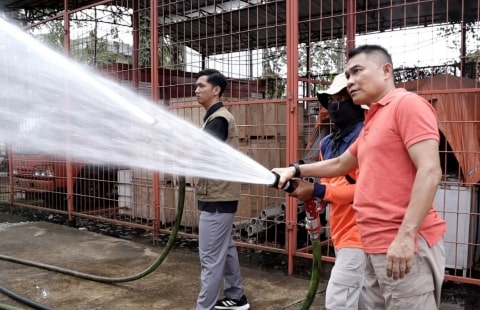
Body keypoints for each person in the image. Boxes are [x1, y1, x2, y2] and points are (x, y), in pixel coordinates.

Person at [273, 45, 446, 310]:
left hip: (402, 242)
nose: (351, 81)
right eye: (347, 74)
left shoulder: (407, 105)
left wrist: (405, 236)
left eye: (357, 72)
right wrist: (296, 170)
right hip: (372, 242)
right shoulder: (375, 119)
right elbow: (343, 163)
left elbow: (431, 170)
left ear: (386, 70)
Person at [290, 72, 366, 309]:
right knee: (364, 300)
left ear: (357, 104)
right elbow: (334, 181)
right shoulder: (327, 142)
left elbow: (365, 191)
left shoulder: (367, 138)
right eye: (330, 100)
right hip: (341, 230)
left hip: (362, 233)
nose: (334, 106)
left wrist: (316, 191)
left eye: (340, 100)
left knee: (338, 301)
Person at [194, 69, 250, 310]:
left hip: (217, 199)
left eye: (201, 86)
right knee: (224, 249)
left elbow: (203, 152)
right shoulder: (215, 117)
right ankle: (236, 297)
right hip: (221, 197)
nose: (196, 90)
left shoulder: (218, 119)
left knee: (210, 259)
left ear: (216, 90)